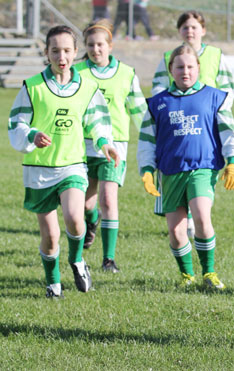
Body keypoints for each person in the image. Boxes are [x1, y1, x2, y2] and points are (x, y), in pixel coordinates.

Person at [8, 25, 119, 299]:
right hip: (38, 170)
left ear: (75, 52)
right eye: (55, 50)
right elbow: (16, 123)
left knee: (74, 217)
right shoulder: (32, 86)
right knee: (50, 237)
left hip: (72, 166)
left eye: (67, 50)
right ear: (46, 52)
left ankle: (77, 260)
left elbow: (98, 122)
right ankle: (53, 282)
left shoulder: (87, 87)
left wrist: (105, 143)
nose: (62, 56)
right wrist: (32, 134)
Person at [138, 44, 234, 290]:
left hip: (202, 168)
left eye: (190, 66)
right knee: (176, 233)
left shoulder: (215, 97)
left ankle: (209, 273)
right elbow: (146, 141)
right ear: (170, 70)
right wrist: (146, 170)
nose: (185, 71)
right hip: (170, 172)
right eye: (179, 67)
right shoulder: (157, 104)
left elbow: (229, 133)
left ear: (198, 68)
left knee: (201, 217)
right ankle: (187, 275)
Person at [151, 10, 234, 238]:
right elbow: (158, 88)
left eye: (194, 27)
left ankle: (197, 214)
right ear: (179, 31)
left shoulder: (216, 54)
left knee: (203, 164)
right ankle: (183, 218)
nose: (190, 31)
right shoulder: (169, 55)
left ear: (203, 30)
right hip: (178, 120)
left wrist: (219, 110)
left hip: (206, 119)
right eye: (185, 27)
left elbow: (229, 87)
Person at [75, 19, 149, 273]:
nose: (96, 50)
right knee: (85, 204)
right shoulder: (78, 74)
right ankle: (91, 221)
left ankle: (108, 259)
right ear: (85, 47)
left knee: (108, 199)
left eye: (100, 45)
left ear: (110, 46)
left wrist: (154, 138)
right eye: (90, 45)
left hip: (115, 145)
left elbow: (139, 112)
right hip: (81, 146)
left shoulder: (127, 74)